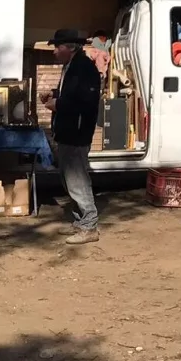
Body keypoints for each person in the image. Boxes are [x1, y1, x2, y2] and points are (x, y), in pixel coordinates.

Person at [49, 29, 102, 244]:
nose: (54, 51)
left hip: (77, 132)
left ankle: (90, 227)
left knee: (77, 179)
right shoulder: (70, 66)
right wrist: (54, 95)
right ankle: (80, 221)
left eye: (57, 46)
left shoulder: (84, 67)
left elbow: (86, 101)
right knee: (68, 179)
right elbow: (70, 93)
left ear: (70, 47)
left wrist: (59, 104)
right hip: (66, 131)